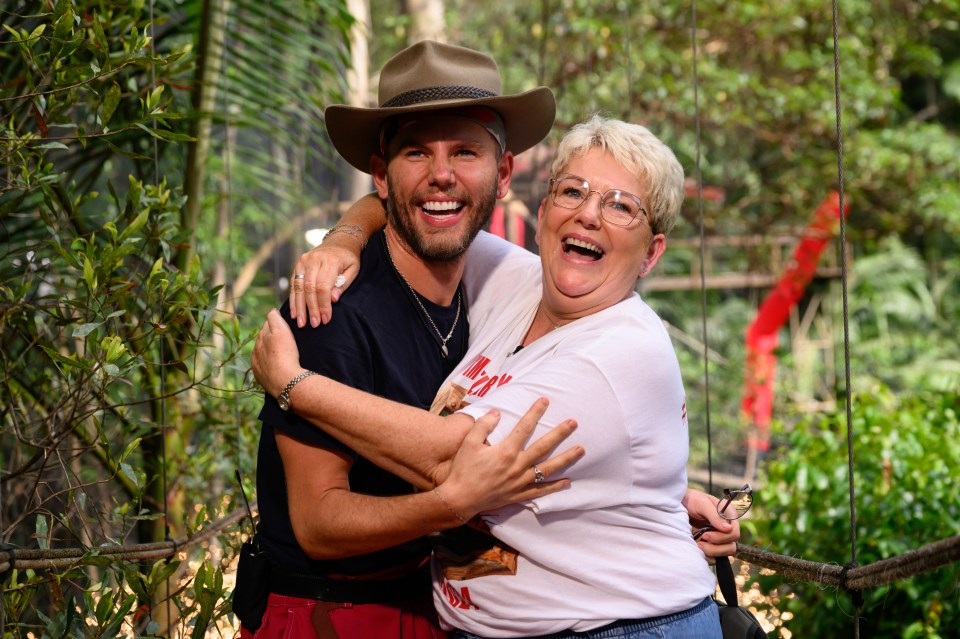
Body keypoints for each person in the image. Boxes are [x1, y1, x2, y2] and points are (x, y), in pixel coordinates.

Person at [253, 114, 729, 637]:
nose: (589, 214)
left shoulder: (617, 351)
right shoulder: (517, 280)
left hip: (615, 626)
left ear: (652, 253)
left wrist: (294, 384)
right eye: (574, 192)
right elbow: (415, 207)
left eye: (620, 205)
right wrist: (341, 242)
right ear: (546, 211)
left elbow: (451, 458)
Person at [240, 40, 578, 639]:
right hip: (330, 615)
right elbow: (318, 523)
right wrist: (454, 501)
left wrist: (661, 499)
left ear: (502, 176)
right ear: (381, 175)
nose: (442, 174)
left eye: (465, 152)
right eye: (417, 151)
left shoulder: (497, 292)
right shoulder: (332, 307)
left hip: (437, 605)